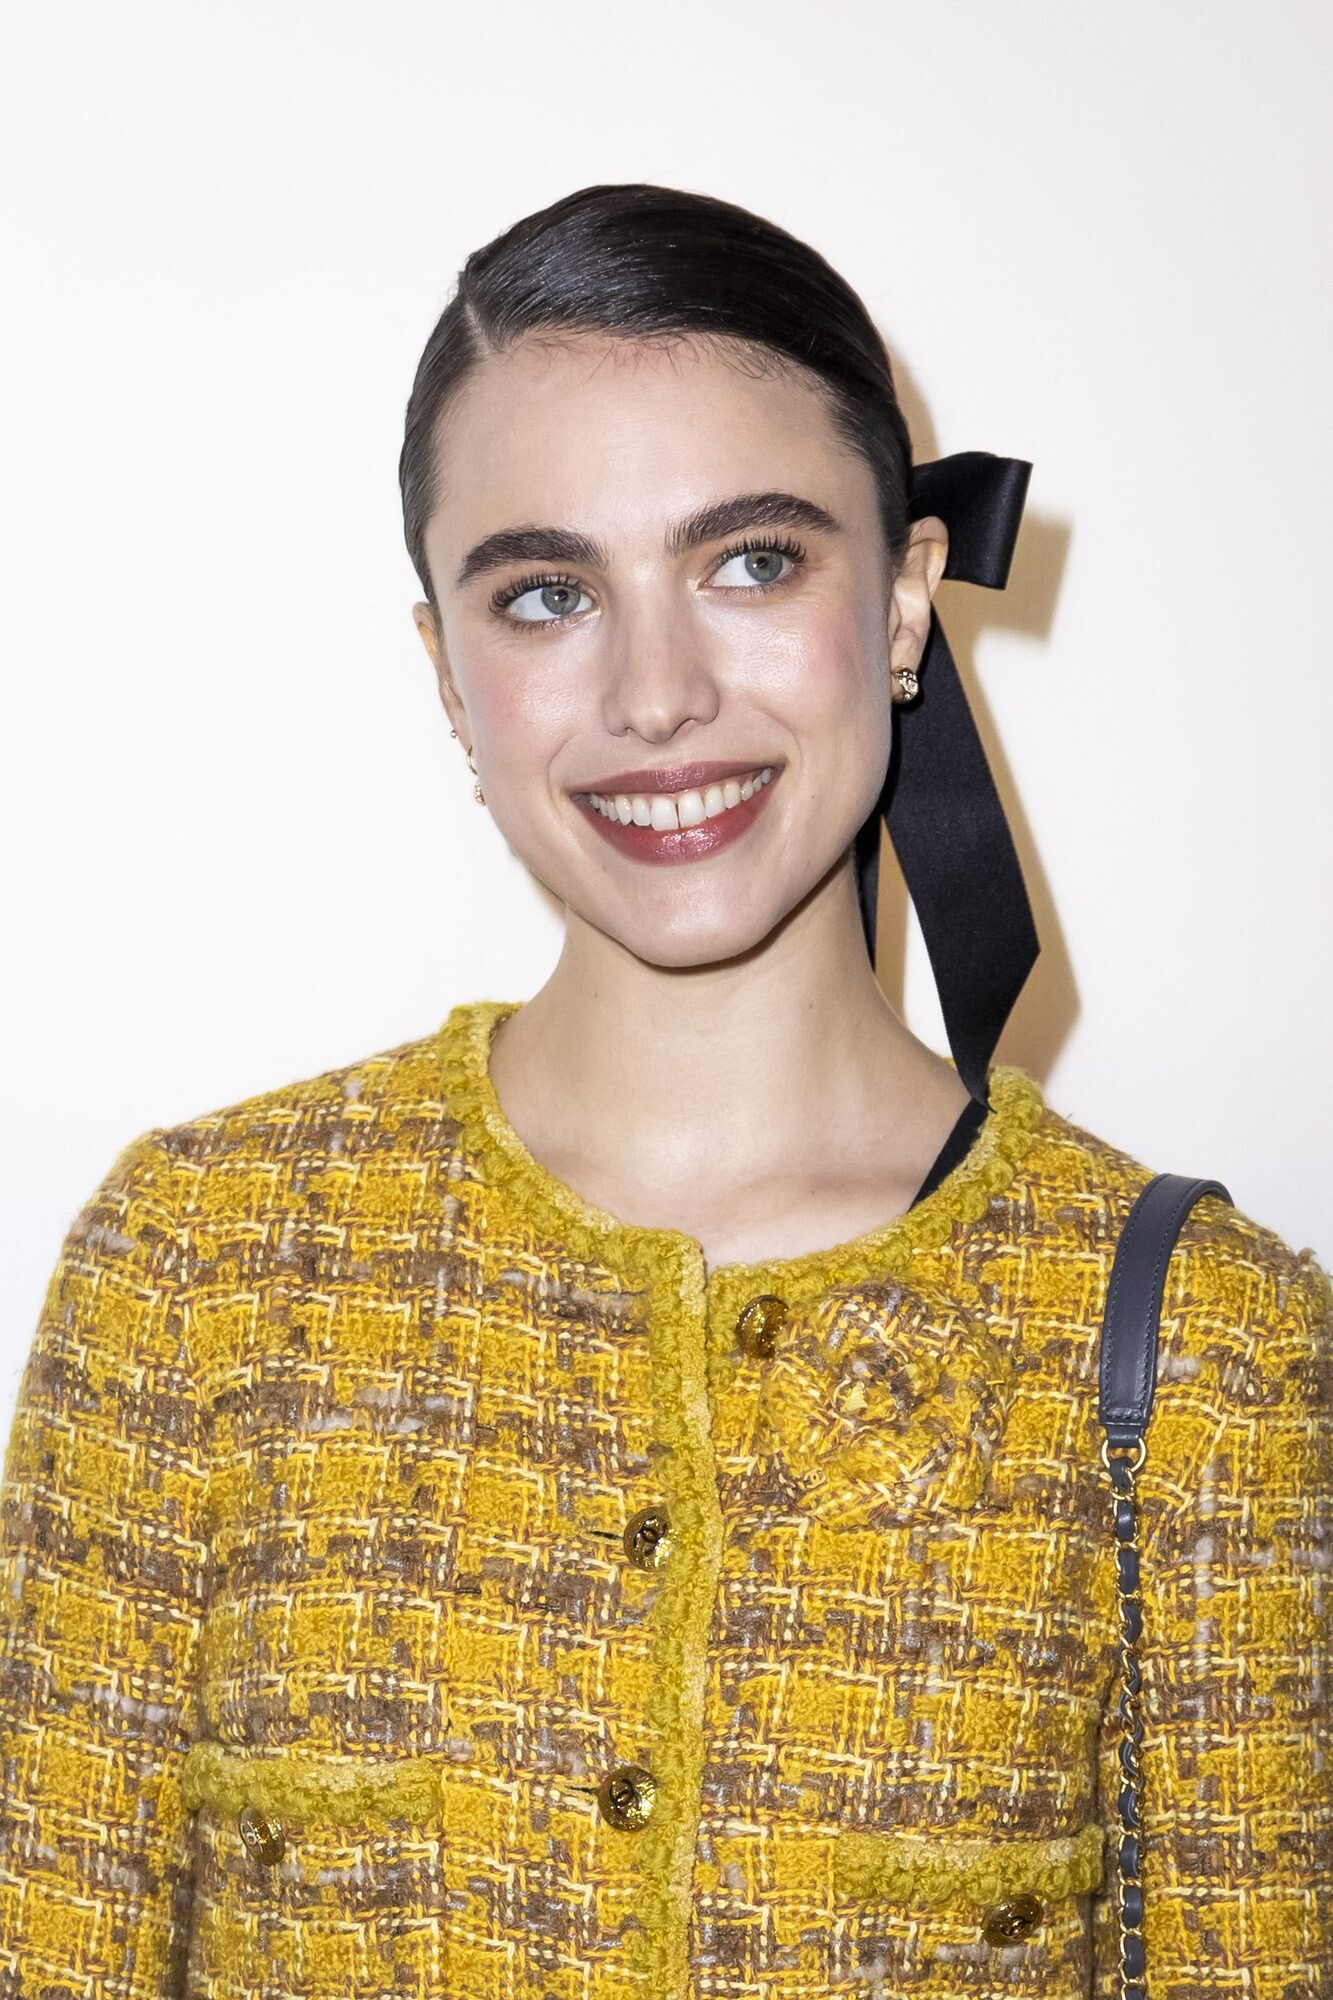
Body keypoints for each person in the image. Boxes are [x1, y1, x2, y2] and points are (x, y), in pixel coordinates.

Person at [0, 182, 1327, 2000]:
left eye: (751, 563)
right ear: (449, 680)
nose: (653, 694)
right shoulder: (198, 1273)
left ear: (905, 601)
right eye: (546, 596)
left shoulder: (1206, 1354)